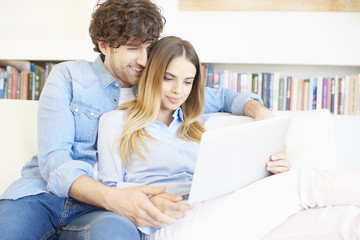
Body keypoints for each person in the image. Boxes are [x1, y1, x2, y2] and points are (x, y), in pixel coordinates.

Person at [0, 0, 289, 239]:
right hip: (43, 196)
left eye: (149, 47)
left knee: (112, 234)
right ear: (104, 44)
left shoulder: (157, 84)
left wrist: (260, 112)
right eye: (131, 48)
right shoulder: (69, 77)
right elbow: (55, 164)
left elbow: (222, 96)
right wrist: (115, 198)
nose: (143, 60)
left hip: (105, 214)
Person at [97, 36, 360, 240]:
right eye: (169, 79)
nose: (178, 91)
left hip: (216, 213)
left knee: (344, 220)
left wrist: (273, 165)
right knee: (302, 182)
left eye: (188, 82)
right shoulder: (116, 123)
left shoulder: (198, 124)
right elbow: (107, 190)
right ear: (152, 75)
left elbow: (229, 99)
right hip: (165, 227)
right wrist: (146, 200)